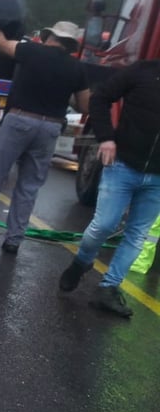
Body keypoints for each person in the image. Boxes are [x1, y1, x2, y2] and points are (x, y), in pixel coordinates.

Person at [0, 21, 90, 254]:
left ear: (48, 36)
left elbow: (2, 45)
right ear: (70, 44)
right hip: (50, 127)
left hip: (19, 120)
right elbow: (85, 105)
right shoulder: (77, 68)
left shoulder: (31, 50)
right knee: (29, 185)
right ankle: (13, 240)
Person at [58, 59, 160, 318]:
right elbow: (100, 98)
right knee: (104, 224)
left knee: (137, 235)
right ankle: (82, 261)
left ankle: (108, 288)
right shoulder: (142, 72)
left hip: (158, 179)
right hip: (122, 165)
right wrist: (105, 138)